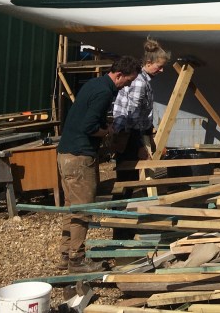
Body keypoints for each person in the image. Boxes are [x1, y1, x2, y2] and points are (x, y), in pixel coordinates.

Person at [56, 55, 141, 273]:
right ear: (119, 75)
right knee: (83, 209)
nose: (127, 86)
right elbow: (89, 126)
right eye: (128, 81)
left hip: (66, 153)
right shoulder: (104, 92)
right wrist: (108, 132)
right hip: (80, 156)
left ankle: (66, 254)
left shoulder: (94, 84)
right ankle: (77, 260)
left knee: (71, 207)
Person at [111, 37, 172, 194]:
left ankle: (123, 202)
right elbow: (133, 114)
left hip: (133, 132)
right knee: (127, 176)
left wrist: (149, 134)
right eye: (159, 67)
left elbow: (142, 114)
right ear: (149, 63)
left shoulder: (143, 80)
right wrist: (139, 144)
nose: (161, 70)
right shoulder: (139, 82)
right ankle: (120, 204)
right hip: (129, 134)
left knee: (128, 177)